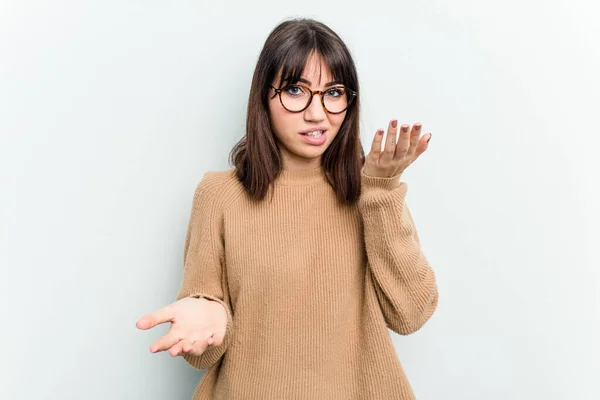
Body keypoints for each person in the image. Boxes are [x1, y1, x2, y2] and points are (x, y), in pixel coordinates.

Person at [136, 17, 438, 400]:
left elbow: (410, 314)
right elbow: (204, 352)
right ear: (264, 95)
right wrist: (206, 312)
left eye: (334, 92)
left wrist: (380, 190)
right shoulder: (219, 194)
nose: (317, 113)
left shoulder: (370, 192)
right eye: (296, 90)